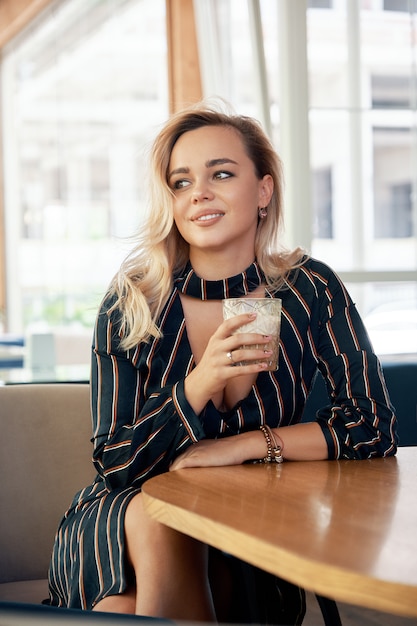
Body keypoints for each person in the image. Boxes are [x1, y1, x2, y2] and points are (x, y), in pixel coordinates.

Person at [48, 101, 397, 623]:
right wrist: (200, 383)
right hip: (120, 519)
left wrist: (241, 447)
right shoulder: (133, 303)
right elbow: (117, 463)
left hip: (244, 523)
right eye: (182, 182)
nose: (200, 194)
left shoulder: (307, 289)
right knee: (154, 518)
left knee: (125, 610)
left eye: (222, 174)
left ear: (263, 190)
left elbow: (371, 428)